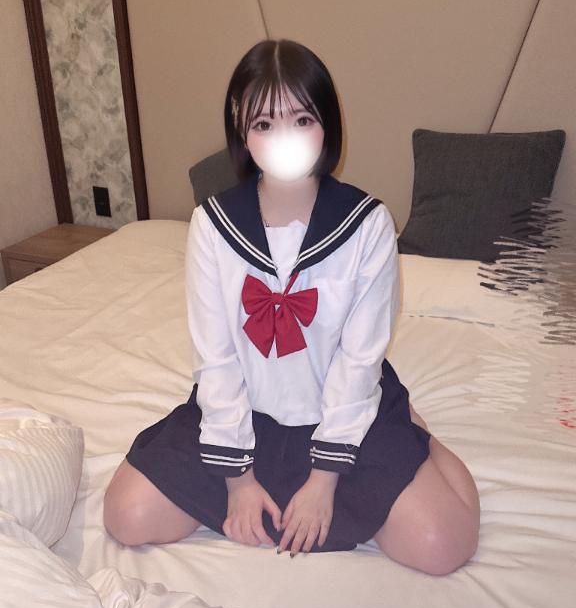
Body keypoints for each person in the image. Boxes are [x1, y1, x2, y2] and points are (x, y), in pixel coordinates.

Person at [104, 39, 480, 573]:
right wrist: (238, 482)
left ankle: (418, 431)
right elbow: (216, 357)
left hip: (340, 408)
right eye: (264, 124)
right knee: (126, 516)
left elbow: (359, 358)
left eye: (302, 119)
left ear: (326, 123)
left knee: (444, 546)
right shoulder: (211, 225)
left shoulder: (368, 224)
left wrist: (324, 481)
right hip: (245, 409)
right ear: (242, 131)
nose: (285, 139)